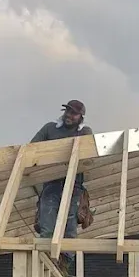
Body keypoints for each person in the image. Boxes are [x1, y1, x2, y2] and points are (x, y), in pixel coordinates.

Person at [31, 100, 92, 242]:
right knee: (47, 226)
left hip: (73, 185)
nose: (69, 116)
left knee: (69, 228)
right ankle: (45, 260)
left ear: (81, 117)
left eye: (74, 114)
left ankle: (65, 262)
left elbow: (89, 156)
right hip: (51, 184)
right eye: (68, 112)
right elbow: (32, 149)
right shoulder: (50, 129)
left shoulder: (84, 132)